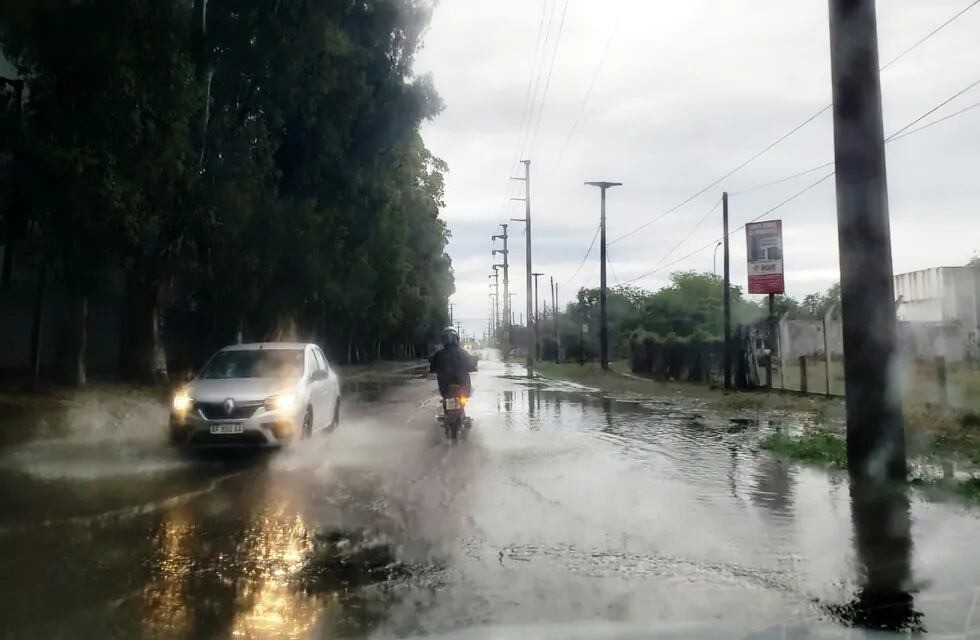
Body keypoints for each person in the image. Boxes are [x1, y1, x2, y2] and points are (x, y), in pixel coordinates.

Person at [430, 326, 477, 397]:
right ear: (457, 339)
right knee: (471, 390)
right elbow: (472, 366)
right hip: (463, 388)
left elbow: (433, 368)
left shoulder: (438, 354)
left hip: (445, 389)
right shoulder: (463, 353)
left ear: (443, 340)